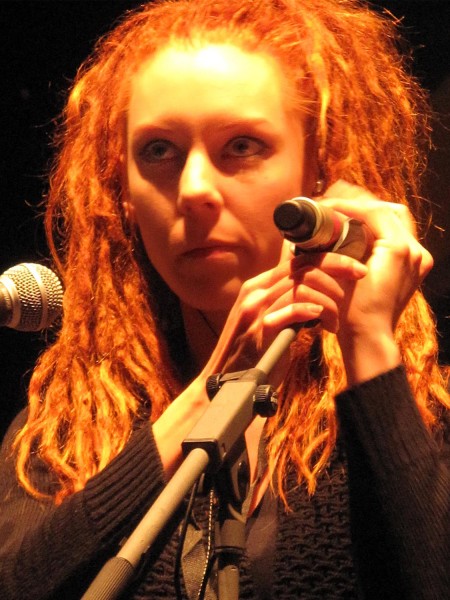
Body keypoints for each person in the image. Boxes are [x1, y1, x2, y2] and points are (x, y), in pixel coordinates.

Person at [0, 0, 449, 598]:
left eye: (241, 146)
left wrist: (369, 345)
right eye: (158, 151)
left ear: (318, 173)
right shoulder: (64, 430)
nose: (193, 191)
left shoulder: (421, 412)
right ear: (125, 197)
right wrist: (208, 393)